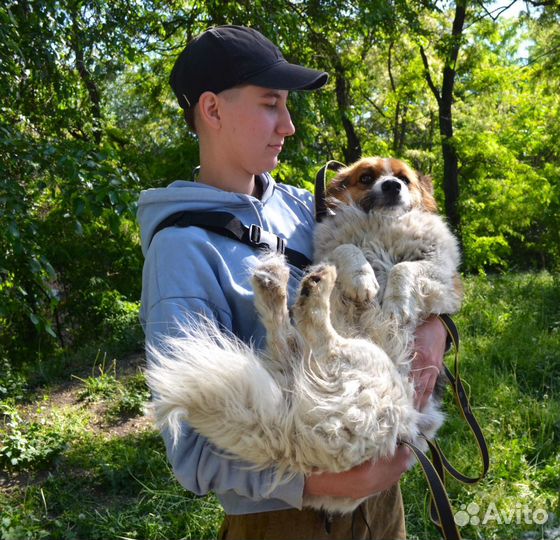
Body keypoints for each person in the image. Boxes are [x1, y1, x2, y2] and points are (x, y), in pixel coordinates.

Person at [138, 24, 448, 540]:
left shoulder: (311, 209)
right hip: (283, 517)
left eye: (287, 106)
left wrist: (436, 329)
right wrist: (331, 480)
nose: (289, 126)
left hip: (383, 503)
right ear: (212, 110)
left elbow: (416, 265)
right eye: (270, 104)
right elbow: (190, 451)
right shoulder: (180, 252)